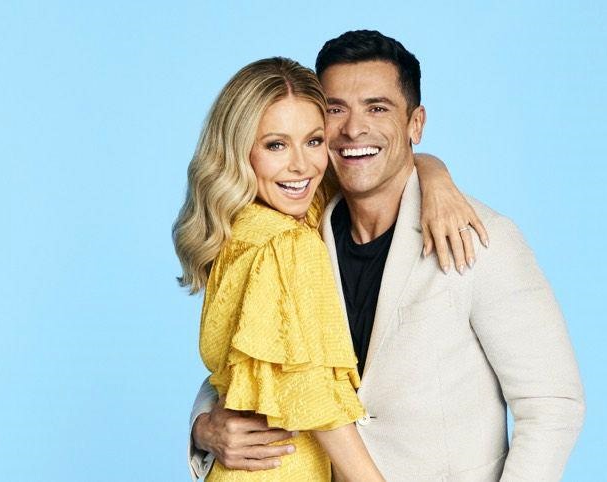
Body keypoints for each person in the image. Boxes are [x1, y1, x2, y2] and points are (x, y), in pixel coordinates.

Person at [188, 31, 586, 481]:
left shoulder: (481, 237)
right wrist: (204, 426)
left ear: (416, 124)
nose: (354, 129)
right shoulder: (298, 229)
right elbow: (265, 360)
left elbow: (552, 405)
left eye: (377, 108)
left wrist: (432, 171)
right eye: (336, 110)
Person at [174, 57, 486, 481]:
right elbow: (316, 399)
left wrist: (434, 175)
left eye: (314, 141)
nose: (302, 166)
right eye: (275, 145)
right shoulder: (287, 243)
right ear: (239, 151)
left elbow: (379, 167)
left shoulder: (249, 224)